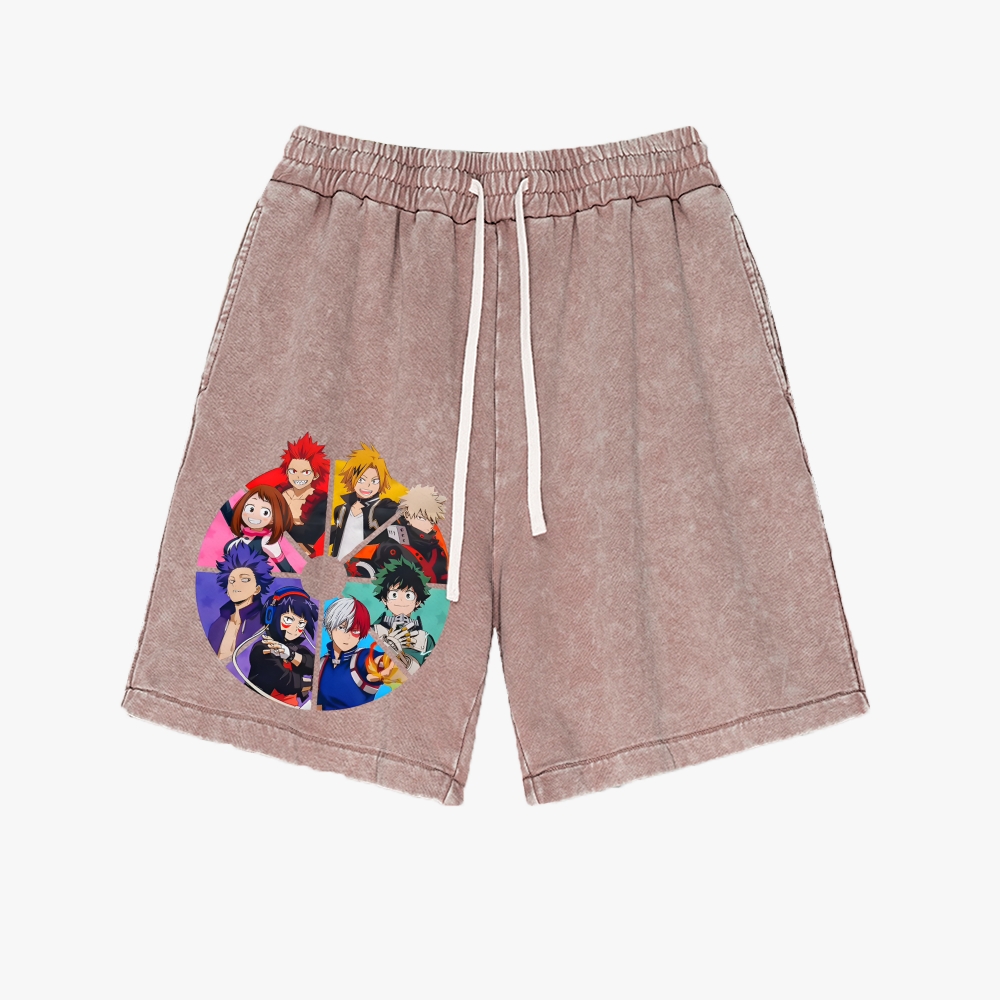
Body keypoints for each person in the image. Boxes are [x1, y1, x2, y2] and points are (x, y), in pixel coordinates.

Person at [245, 432, 330, 557]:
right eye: (293, 471)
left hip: (299, 554)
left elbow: (310, 535)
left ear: (315, 474)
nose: (298, 476)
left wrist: (275, 522)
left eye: (305, 472)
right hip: (265, 545)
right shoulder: (278, 490)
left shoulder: (321, 500)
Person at [315, 597, 404, 711]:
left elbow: (381, 662)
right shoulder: (322, 663)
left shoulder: (362, 658)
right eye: (342, 627)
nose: (348, 636)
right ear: (330, 629)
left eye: (355, 631)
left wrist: (387, 667)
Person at [244, 588, 318, 706]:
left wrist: (290, 655)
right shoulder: (262, 649)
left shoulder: (298, 649)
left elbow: (313, 665)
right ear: (270, 616)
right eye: (288, 620)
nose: (294, 628)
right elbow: (286, 683)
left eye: (301, 623)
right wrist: (312, 683)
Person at [329, 443, 399, 559]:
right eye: (361, 479)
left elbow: (401, 510)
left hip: (367, 565)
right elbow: (335, 535)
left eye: (374, 481)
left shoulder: (383, 507)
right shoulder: (341, 510)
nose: (367, 485)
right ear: (352, 479)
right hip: (338, 564)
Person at [207, 547, 275, 662]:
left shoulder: (265, 623)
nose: (236, 585)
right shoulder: (216, 626)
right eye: (232, 581)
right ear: (227, 591)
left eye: (244, 580)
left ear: (257, 589)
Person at [371, 485, 449, 584]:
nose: (427, 524)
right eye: (421, 518)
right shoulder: (392, 547)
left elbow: (443, 581)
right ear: (407, 515)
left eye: (431, 520)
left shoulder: (437, 551)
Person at [371, 555, 436, 673]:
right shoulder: (374, 630)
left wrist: (401, 657)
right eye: (394, 595)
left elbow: (430, 673)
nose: (401, 601)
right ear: (385, 599)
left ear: (417, 601)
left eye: (408, 595)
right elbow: (363, 662)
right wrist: (386, 646)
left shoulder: (425, 640)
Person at [221, 484, 299, 572]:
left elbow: (288, 570)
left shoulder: (267, 542)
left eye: (265, 512)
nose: (254, 515)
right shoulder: (242, 531)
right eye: (250, 509)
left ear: (274, 519)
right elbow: (226, 510)